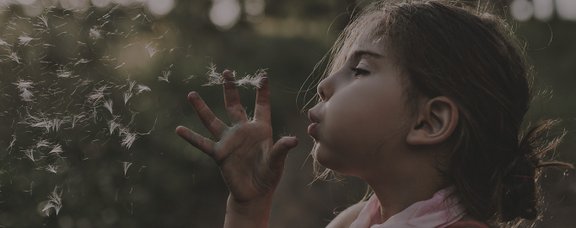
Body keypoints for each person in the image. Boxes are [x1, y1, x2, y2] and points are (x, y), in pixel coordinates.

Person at [175, 0, 573, 227]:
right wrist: (248, 208)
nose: (325, 84)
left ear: (429, 122)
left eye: (360, 70)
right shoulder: (353, 221)